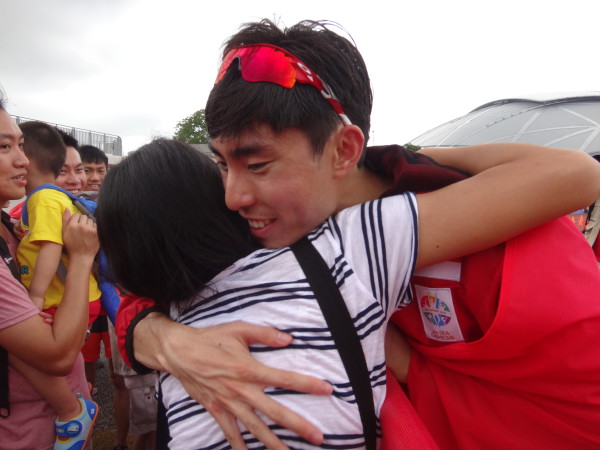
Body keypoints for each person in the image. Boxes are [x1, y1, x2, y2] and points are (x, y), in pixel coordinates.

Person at [115, 20, 600, 449]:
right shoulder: (276, 224)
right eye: (223, 164)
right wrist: (164, 339)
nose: (232, 196)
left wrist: (422, 157)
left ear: (345, 150)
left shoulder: (459, 222)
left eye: (257, 165)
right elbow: (163, 279)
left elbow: (577, 175)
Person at [0, 96, 99, 449]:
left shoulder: (28, 212)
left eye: (21, 146)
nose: (22, 159)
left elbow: (48, 248)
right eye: (4, 146)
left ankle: (72, 409)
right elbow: (55, 355)